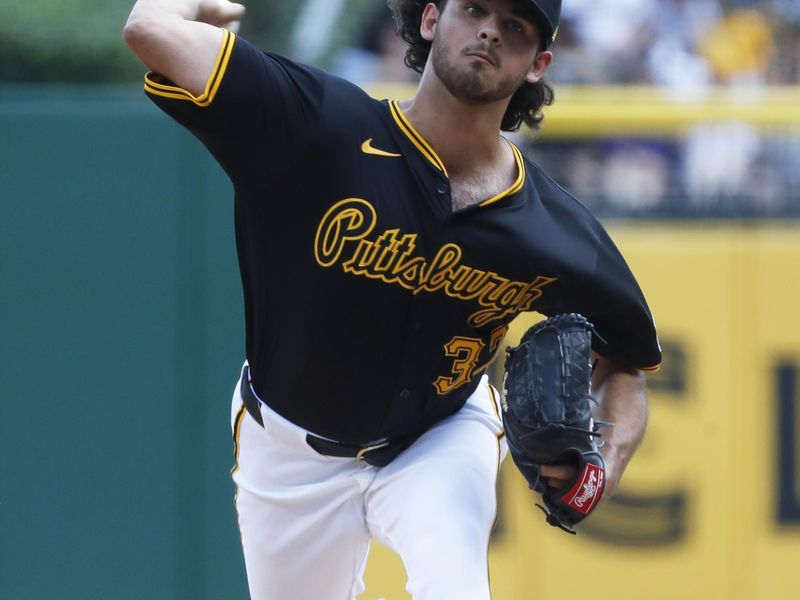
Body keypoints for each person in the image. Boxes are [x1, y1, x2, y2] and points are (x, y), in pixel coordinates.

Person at [123, 1, 661, 598]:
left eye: (515, 25)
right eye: (474, 8)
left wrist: (600, 471)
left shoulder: (554, 228)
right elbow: (148, 29)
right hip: (289, 453)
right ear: (430, 19)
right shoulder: (318, 124)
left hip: (441, 435)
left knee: (452, 585)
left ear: (538, 64)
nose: (488, 29)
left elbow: (628, 359)